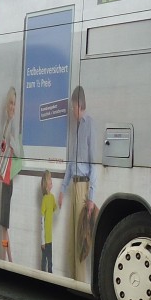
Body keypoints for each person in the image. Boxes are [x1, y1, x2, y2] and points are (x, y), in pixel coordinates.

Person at [59, 85, 96, 282]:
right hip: (74, 185)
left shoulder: (89, 125)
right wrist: (63, 189)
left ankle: (81, 282)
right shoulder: (75, 128)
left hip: (83, 187)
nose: (72, 111)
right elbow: (71, 163)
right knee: (72, 238)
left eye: (73, 107)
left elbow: (94, 164)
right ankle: (74, 280)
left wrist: (91, 197)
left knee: (82, 239)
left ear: (79, 105)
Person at [0, 86, 18, 261]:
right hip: (5, 179)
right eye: (10, 103)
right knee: (4, 225)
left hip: (8, 179)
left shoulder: (12, 125)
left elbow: (16, 151)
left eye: (14, 104)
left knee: (4, 224)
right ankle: (7, 258)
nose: (12, 107)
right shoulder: (7, 123)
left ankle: (6, 258)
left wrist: (11, 142)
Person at [38, 170, 57, 273]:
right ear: (46, 184)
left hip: (50, 238)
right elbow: (42, 221)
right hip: (45, 239)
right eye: (50, 179)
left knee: (50, 261)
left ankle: (50, 276)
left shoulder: (52, 197)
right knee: (44, 261)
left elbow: (55, 209)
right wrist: (42, 241)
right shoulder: (45, 199)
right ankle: (42, 276)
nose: (51, 180)